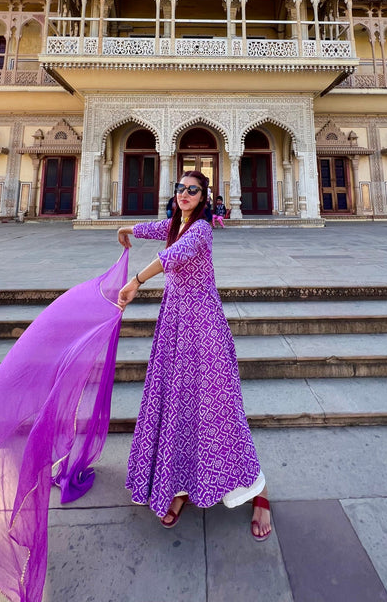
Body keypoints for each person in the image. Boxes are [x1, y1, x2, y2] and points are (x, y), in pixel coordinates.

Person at [116, 170, 271, 541]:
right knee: (179, 405)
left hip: (203, 329)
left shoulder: (200, 230)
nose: (185, 194)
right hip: (175, 327)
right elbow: (157, 229)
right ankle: (180, 486)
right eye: (180, 189)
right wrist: (128, 230)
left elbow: (172, 256)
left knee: (217, 406)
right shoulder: (177, 222)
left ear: (204, 197)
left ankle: (258, 490)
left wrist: (135, 280)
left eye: (193, 190)